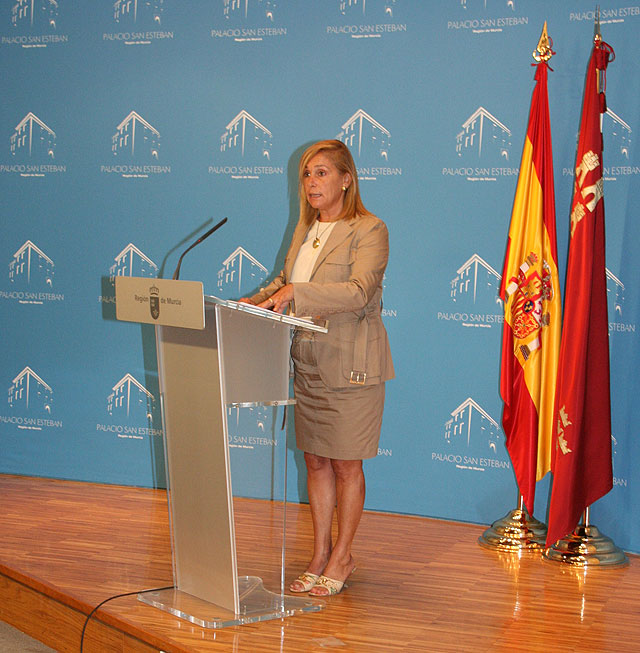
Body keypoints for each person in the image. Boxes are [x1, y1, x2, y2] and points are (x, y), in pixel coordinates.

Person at [240, 139, 393, 597]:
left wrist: (293, 296)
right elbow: (290, 282)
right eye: (307, 174)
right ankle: (320, 553)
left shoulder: (369, 228)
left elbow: (359, 290)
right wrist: (253, 301)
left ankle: (343, 556)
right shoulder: (307, 230)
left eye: (322, 172)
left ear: (347, 179)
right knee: (316, 460)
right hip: (307, 362)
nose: (311, 182)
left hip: (351, 364)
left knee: (346, 464)